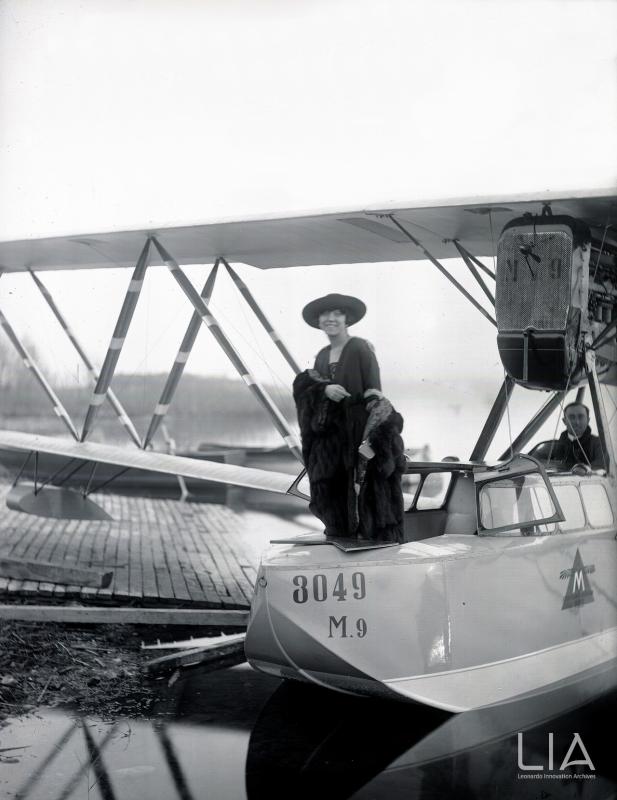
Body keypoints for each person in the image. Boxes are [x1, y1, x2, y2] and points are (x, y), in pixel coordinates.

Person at [293, 293, 405, 541]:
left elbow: (374, 391)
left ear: (347, 319)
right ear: (319, 321)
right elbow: (316, 386)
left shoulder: (360, 348)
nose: (330, 319)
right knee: (329, 487)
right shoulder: (322, 354)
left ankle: (370, 538)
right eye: (325, 314)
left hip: (355, 430)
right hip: (331, 436)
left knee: (362, 487)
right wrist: (324, 390)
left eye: (337, 314)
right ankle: (340, 534)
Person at [551, 402, 605, 469]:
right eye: (571, 417)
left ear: (588, 420)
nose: (577, 422)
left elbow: (601, 465)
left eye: (581, 417)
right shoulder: (553, 445)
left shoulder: (599, 444)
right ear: (564, 421)